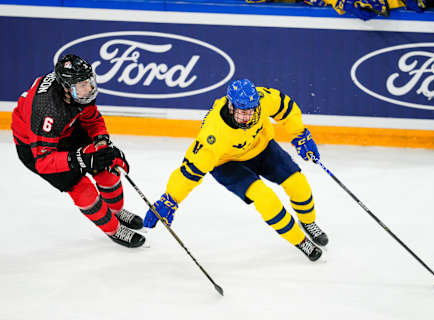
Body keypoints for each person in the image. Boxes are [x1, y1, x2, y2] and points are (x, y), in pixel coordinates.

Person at [144, 79, 328, 261]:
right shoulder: (213, 135)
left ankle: (308, 222)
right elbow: (189, 171)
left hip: (262, 148)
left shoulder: (261, 99)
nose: (248, 117)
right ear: (231, 107)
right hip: (228, 164)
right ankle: (300, 240)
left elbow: (284, 106)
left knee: (299, 184)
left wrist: (300, 134)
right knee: (266, 199)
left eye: (251, 111)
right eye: (242, 112)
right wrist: (170, 198)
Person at [11, 54, 145, 248]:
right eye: (83, 85)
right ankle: (113, 229)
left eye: (89, 82)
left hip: (67, 129)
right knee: (82, 188)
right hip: (37, 148)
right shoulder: (47, 110)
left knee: (107, 168)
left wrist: (101, 141)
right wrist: (79, 159)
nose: (89, 88)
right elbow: (44, 161)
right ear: (66, 87)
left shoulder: (76, 91)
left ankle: (116, 211)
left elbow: (92, 119)